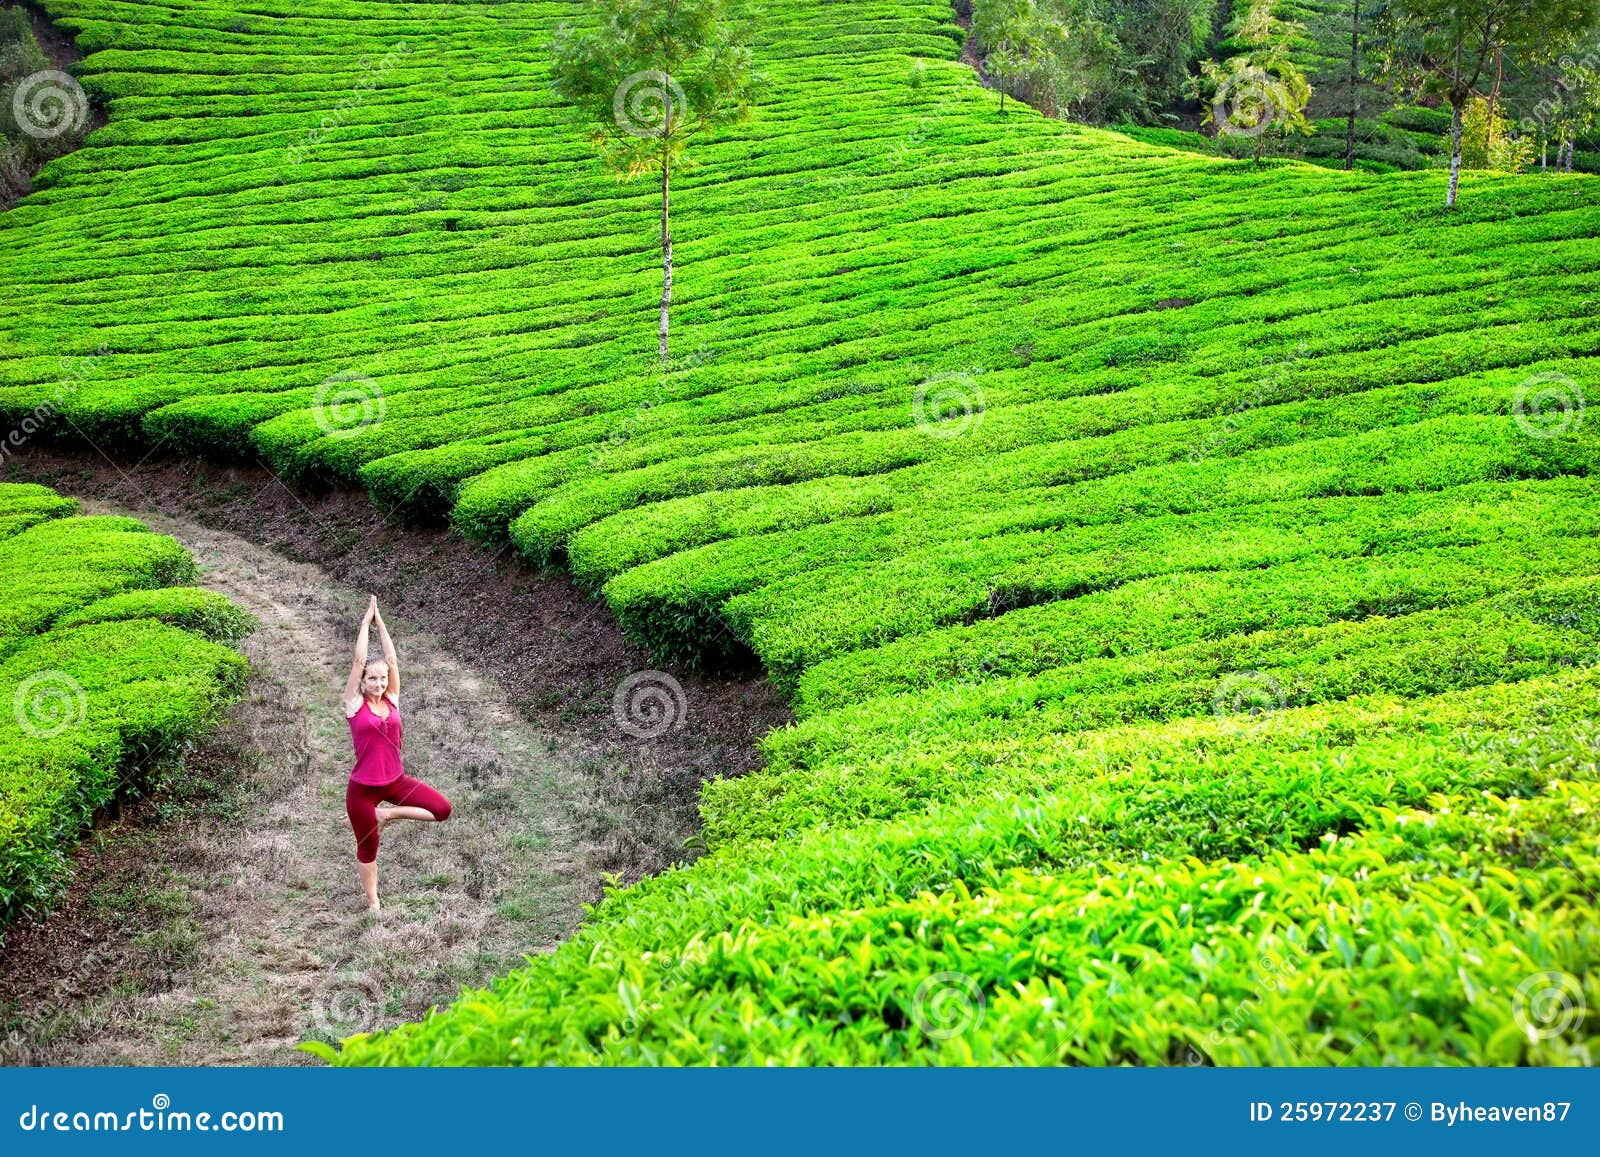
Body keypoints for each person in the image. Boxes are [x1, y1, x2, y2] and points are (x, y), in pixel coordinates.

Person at [342, 594, 452, 912]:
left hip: (395, 781)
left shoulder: (392, 699)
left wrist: (382, 623)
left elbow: (391, 660)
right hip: (362, 789)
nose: (378, 682)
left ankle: (386, 815)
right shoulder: (354, 704)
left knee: (442, 809)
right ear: (362, 682)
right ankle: (373, 901)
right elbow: (358, 662)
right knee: (368, 849)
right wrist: (365, 623)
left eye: (382, 679)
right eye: (372, 679)